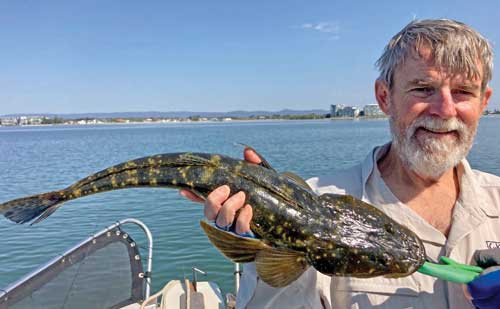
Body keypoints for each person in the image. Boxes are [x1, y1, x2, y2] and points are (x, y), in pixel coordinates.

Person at [181, 19, 500, 308]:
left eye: (462, 92)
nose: (444, 110)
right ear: (384, 96)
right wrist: (267, 251)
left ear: (483, 102)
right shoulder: (314, 198)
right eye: (423, 89)